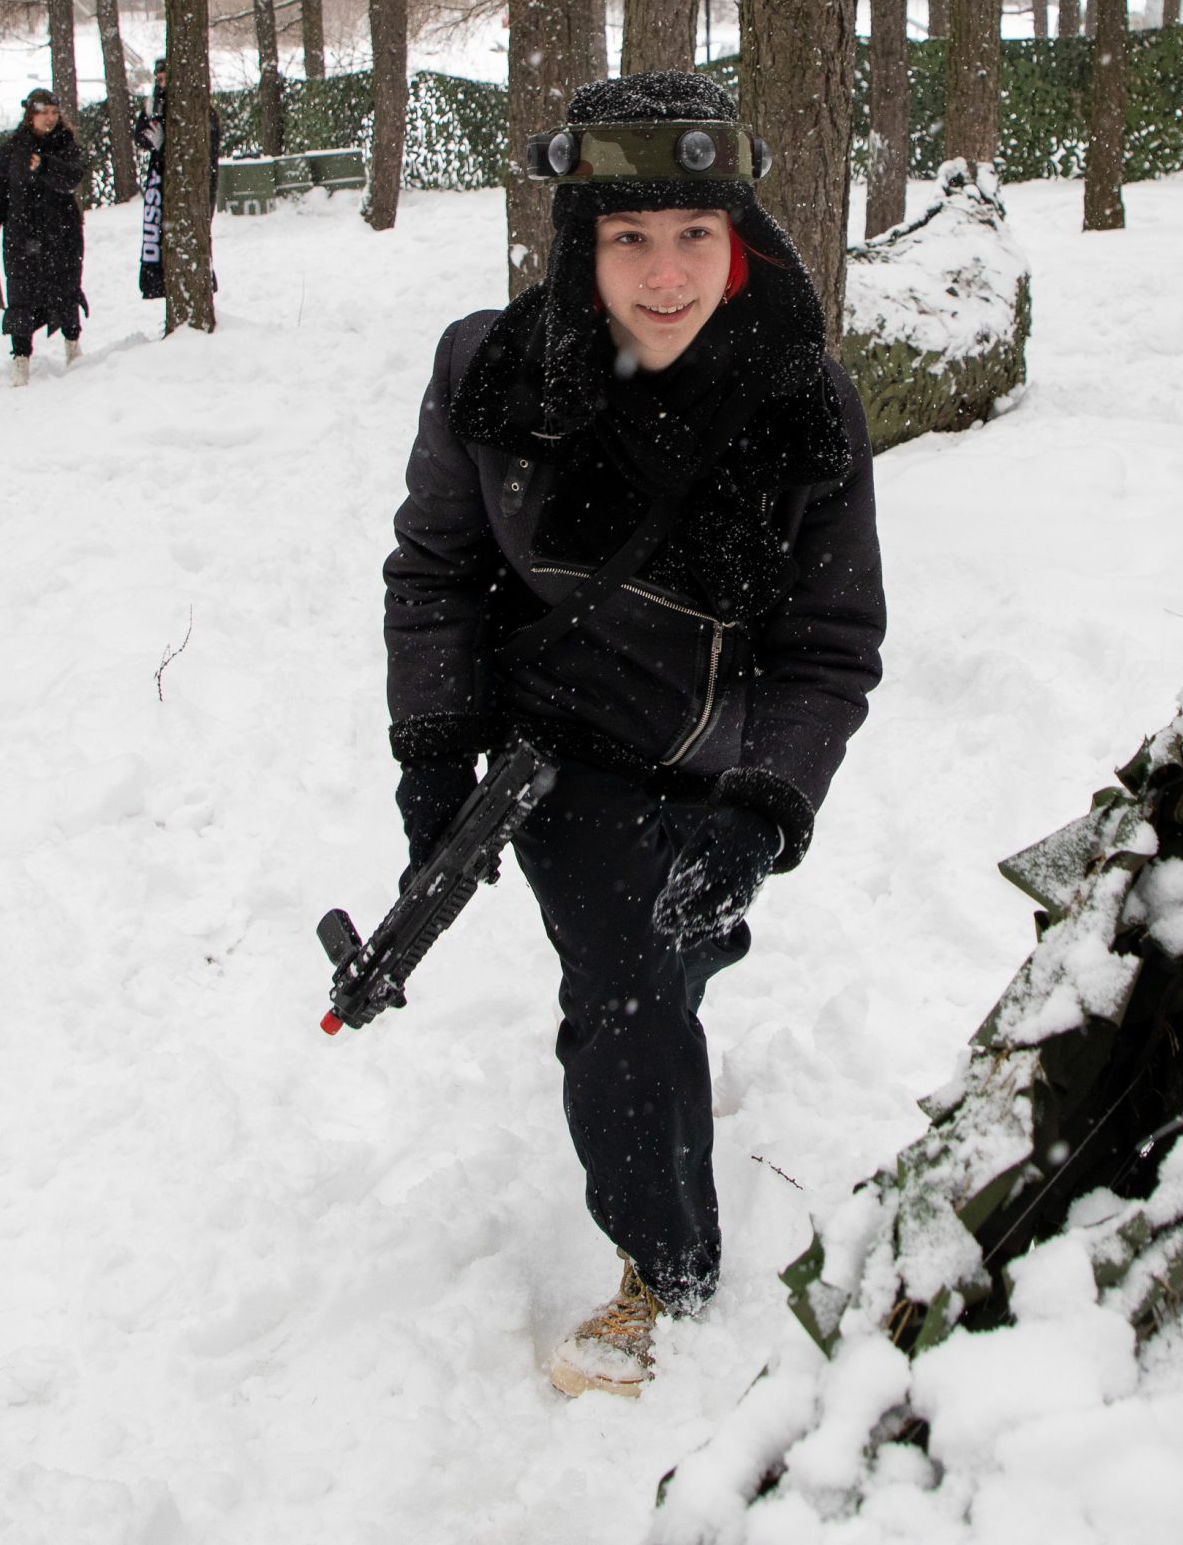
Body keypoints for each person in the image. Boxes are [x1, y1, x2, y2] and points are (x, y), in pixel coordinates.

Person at [383, 71, 886, 1399]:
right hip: (565, 754)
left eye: (692, 237)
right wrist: (435, 752)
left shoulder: (803, 399)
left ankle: (679, 1000)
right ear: (579, 243)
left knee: (679, 953)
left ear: (738, 240)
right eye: (627, 239)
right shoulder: (491, 372)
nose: (662, 275)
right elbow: (435, 569)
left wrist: (763, 806)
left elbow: (830, 645)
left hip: (716, 753)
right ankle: (666, 1272)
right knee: (624, 989)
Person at [0, 87, 90, 387]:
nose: (50, 119)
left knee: (66, 289)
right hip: (23, 237)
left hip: (61, 235)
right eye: (43, 113)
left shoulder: (65, 145)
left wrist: (46, 166)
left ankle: (72, 345)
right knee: (22, 296)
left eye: (54, 113)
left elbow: (73, 177)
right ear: (30, 115)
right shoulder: (12, 150)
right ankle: (21, 357)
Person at [132, 57, 221, 302]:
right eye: (158, 79)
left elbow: (199, 147)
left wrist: (165, 146)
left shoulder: (196, 106)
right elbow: (141, 135)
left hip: (193, 186)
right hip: (163, 182)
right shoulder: (158, 104)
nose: (162, 83)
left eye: (165, 78)